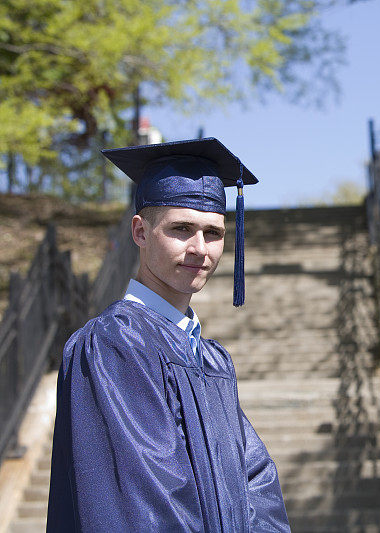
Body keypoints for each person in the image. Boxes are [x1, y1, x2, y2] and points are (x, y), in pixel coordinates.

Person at [46, 138, 291, 532]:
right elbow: (143, 506)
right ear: (140, 232)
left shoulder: (211, 359)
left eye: (213, 233)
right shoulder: (115, 345)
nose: (200, 248)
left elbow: (256, 480)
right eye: (181, 229)